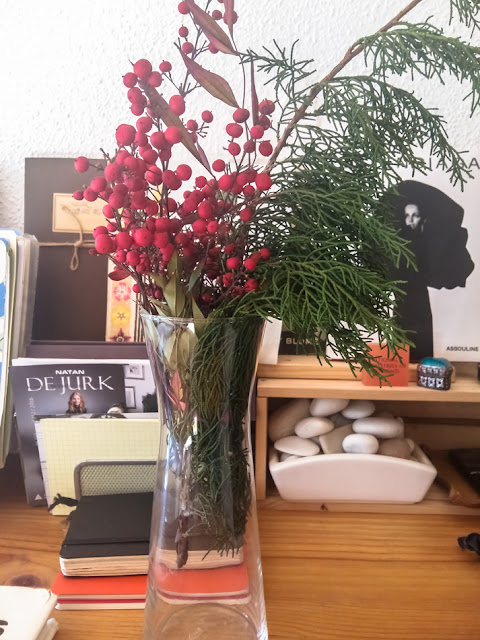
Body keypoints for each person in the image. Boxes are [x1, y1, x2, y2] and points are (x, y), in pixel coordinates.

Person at [389, 180, 475, 360]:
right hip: (403, 298)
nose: (410, 220)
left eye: (415, 215)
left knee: (420, 331)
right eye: (407, 215)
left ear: (423, 218)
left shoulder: (429, 243)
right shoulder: (395, 243)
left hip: (420, 299)